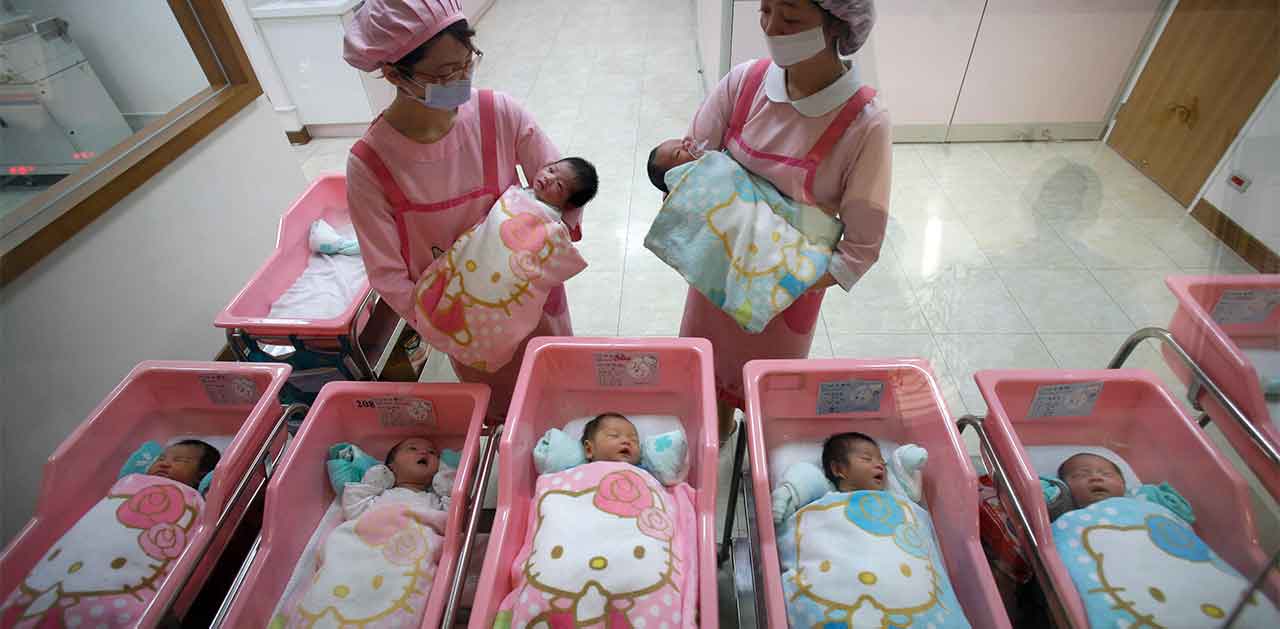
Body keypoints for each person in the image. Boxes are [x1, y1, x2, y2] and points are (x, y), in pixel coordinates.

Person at [343, 0, 577, 420]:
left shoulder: (497, 113)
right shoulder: (372, 164)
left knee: (557, 388)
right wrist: (444, 326)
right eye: (444, 74)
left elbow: (564, 187)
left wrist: (549, 245)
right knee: (502, 410)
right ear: (395, 75)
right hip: (468, 326)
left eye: (466, 62)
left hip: (533, 295)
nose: (461, 80)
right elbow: (386, 273)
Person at [676, 0, 890, 440]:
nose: (772, 28)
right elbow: (689, 165)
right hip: (714, 277)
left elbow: (860, 249)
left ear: (838, 25)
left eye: (790, 18)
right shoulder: (744, 84)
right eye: (765, 11)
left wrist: (781, 281)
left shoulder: (864, 125)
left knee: (766, 395)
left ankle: (755, 456)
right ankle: (715, 444)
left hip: (785, 295)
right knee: (708, 387)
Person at [820, 431, 887, 492]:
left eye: (883, 462)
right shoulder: (831, 500)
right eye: (867, 459)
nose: (880, 465)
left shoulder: (890, 497)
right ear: (838, 469)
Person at [1056, 452, 1127, 509]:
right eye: (1082, 475)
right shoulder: (1062, 516)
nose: (1096, 478)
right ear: (1063, 486)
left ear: (1123, 484)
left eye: (1107, 474)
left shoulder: (1133, 506)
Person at [145, 439, 220, 489]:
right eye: (160, 459)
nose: (164, 464)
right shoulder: (138, 481)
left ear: (201, 476)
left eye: (178, 460)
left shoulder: (196, 500)